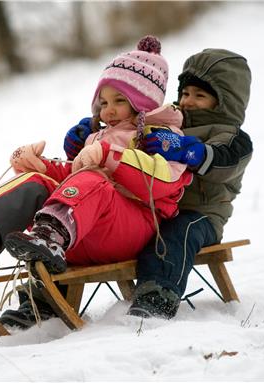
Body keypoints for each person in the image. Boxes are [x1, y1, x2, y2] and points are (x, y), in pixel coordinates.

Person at [0, 36, 193, 327]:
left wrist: (109, 155)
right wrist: (40, 165)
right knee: (37, 181)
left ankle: (51, 235)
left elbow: (164, 181)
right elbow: (77, 173)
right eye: (104, 102)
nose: (107, 110)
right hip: (84, 231)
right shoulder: (98, 135)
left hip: (133, 229)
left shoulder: (163, 136)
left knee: (95, 181)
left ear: (142, 102)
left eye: (119, 101)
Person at [64, 48, 253, 319]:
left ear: (226, 101)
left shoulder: (233, 137)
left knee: (177, 234)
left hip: (201, 215)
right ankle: (46, 298)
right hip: (153, 208)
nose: (188, 101)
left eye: (200, 96)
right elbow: (123, 140)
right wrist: (90, 134)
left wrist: (188, 151)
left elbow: (222, 162)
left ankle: (158, 296)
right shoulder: (166, 122)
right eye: (185, 93)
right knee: (85, 221)